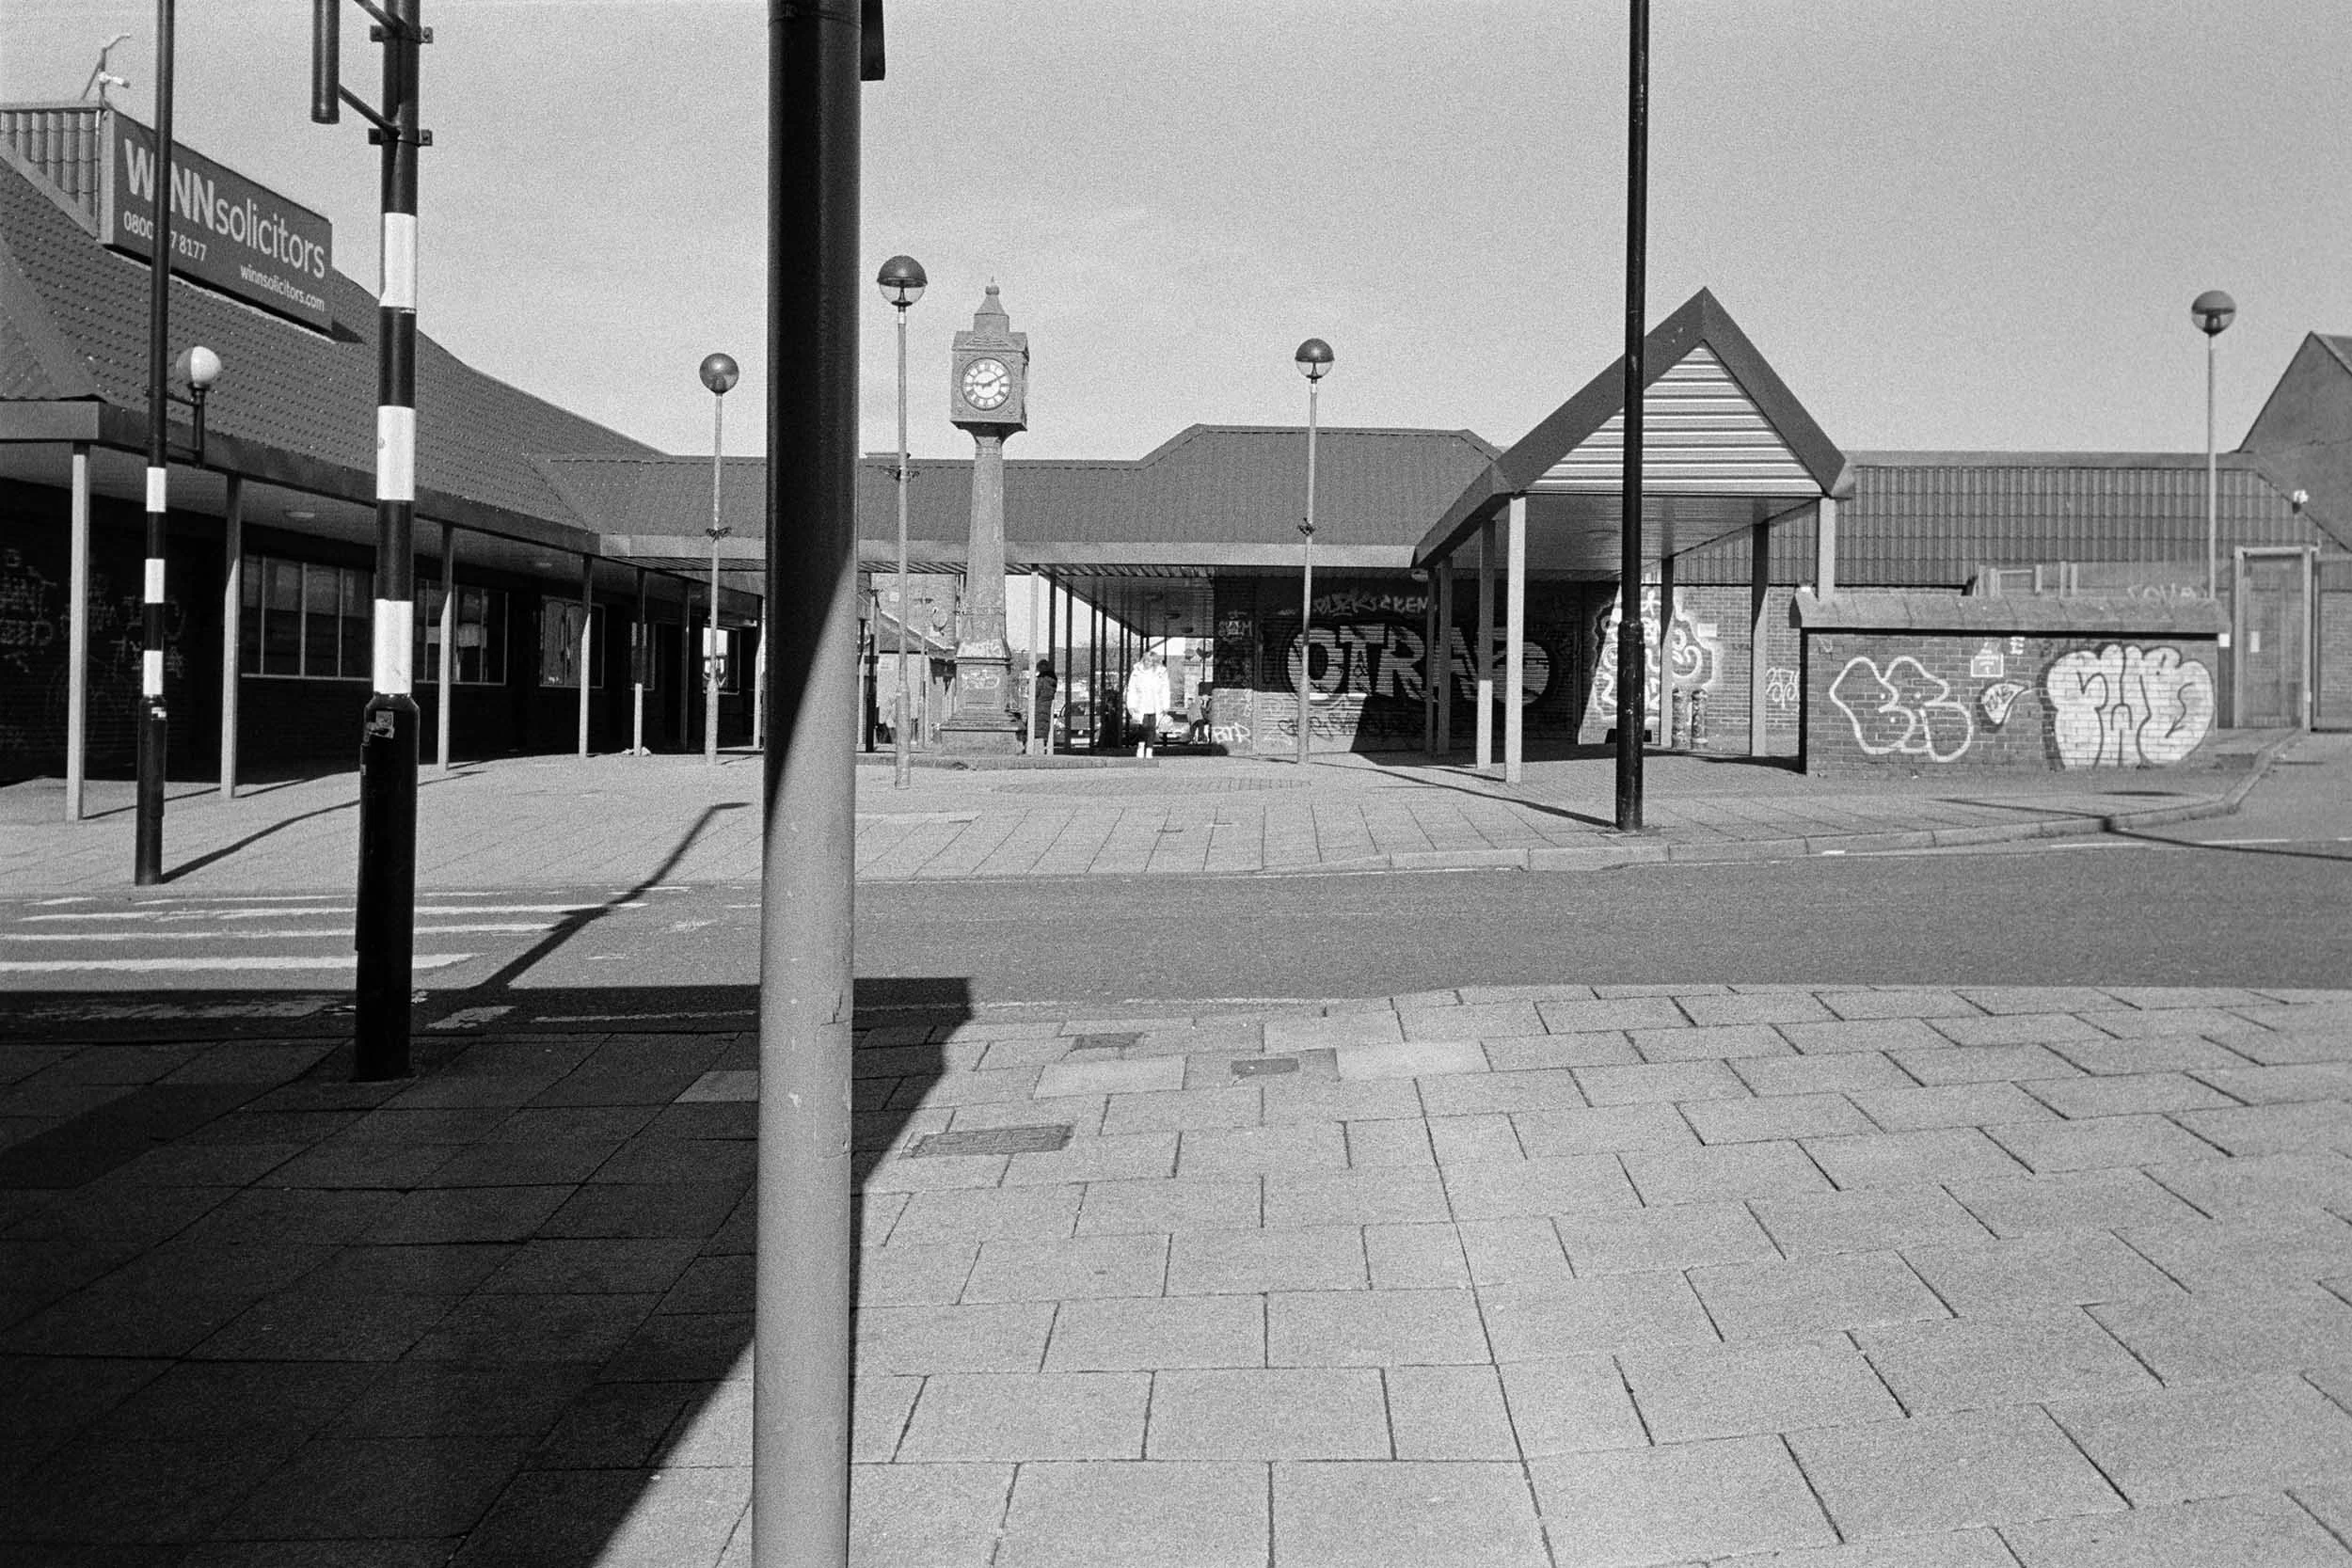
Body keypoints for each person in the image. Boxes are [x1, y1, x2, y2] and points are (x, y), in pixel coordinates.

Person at [1124, 651, 1170, 758]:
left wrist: (1165, 705)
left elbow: (1165, 689)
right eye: (1145, 660)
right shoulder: (1136, 672)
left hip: (1156, 704)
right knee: (1143, 726)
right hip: (1141, 704)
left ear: (1154, 662)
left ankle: (1149, 749)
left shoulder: (1161, 672)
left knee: (1152, 727)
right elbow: (1132, 689)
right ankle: (1141, 745)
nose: (1147, 662)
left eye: (1150, 660)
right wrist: (1130, 705)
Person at [1029, 659, 1057, 755]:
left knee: (1036, 732)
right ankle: (1040, 751)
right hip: (1045, 710)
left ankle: (1036, 753)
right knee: (1041, 733)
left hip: (1038, 709)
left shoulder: (1041, 681)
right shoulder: (1052, 681)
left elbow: (1033, 694)